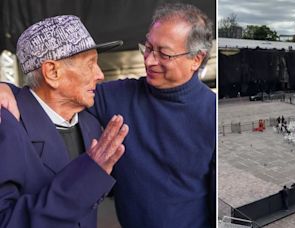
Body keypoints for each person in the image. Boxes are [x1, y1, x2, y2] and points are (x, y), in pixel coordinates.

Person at [0, 3, 216, 227]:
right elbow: (50, 96)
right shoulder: (117, 97)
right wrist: (6, 89)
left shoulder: (211, 114)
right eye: (148, 48)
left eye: (164, 54)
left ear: (196, 59)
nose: (150, 60)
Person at [0, 15, 129, 227]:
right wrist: (86, 178)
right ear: (52, 72)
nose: (100, 75)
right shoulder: (6, 127)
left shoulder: (90, 124)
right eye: (90, 64)